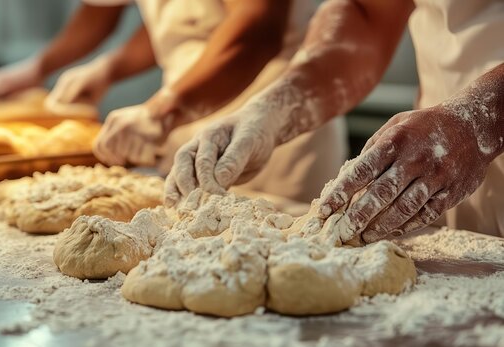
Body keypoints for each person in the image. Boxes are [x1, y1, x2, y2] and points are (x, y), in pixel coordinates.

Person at [165, 0, 504, 241]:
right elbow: (367, 13)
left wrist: (476, 124)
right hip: (433, 172)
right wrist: (275, 107)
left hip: (464, 132)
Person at [0, 0, 348, 204]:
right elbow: (180, 17)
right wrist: (108, 67)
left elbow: (257, 31)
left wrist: (163, 110)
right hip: (180, 120)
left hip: (274, 125)